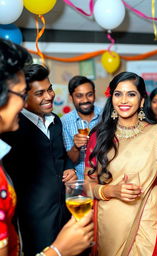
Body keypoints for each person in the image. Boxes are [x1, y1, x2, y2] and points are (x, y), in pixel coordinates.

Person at [0, 39, 94, 256]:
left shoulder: (55, 122)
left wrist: (69, 168)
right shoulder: (13, 129)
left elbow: (60, 156)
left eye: (49, 90)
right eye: (35, 93)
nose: (49, 96)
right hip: (35, 216)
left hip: (64, 206)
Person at [85, 72, 157, 256]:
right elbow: (88, 185)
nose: (124, 100)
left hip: (148, 220)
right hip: (110, 224)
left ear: (142, 101)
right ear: (111, 99)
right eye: (118, 94)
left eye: (131, 94)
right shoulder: (99, 136)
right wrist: (110, 191)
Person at [61, 76, 101, 180]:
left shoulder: (105, 116)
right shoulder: (65, 122)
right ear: (71, 97)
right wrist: (76, 147)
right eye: (79, 96)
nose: (85, 100)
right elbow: (69, 162)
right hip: (80, 184)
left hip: (105, 181)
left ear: (94, 94)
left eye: (89, 95)